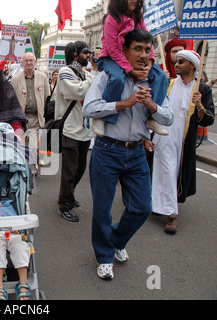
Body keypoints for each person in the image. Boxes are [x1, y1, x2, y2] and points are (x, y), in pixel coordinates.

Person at [83, 28, 174, 280]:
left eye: (147, 50)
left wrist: (151, 105)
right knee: (102, 209)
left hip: (136, 153)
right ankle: (104, 256)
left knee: (142, 207)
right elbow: (89, 108)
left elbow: (169, 117)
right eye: (138, 49)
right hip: (107, 150)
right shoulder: (109, 77)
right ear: (125, 51)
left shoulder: (154, 81)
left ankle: (115, 239)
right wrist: (125, 102)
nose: (144, 55)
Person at [151, 50, 215, 234]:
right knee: (159, 172)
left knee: (172, 174)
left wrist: (200, 105)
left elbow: (208, 119)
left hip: (183, 141)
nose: (176, 64)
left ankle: (171, 215)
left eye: (181, 62)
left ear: (192, 66)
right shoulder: (169, 84)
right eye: (176, 61)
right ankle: (158, 205)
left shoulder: (202, 89)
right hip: (162, 137)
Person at [93, 0, 169, 137]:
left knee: (161, 76)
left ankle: (151, 118)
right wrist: (130, 70)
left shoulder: (137, 17)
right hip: (110, 57)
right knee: (117, 78)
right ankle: (102, 117)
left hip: (129, 58)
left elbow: (147, 41)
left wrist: (150, 62)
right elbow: (113, 50)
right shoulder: (111, 19)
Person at [56, 41, 98, 222]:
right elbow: (80, 92)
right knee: (70, 170)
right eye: (85, 52)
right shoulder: (65, 72)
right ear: (75, 55)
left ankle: (68, 195)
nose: (88, 56)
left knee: (80, 168)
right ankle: (65, 205)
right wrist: (94, 73)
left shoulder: (84, 73)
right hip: (70, 129)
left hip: (84, 130)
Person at [11, 52, 50, 167]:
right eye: (26, 60)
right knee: (23, 144)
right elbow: (12, 99)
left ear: (35, 62)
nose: (29, 63)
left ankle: (33, 167)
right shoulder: (15, 79)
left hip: (37, 117)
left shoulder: (43, 77)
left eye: (31, 60)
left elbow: (47, 97)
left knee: (33, 145)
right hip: (22, 118)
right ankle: (25, 166)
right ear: (22, 63)